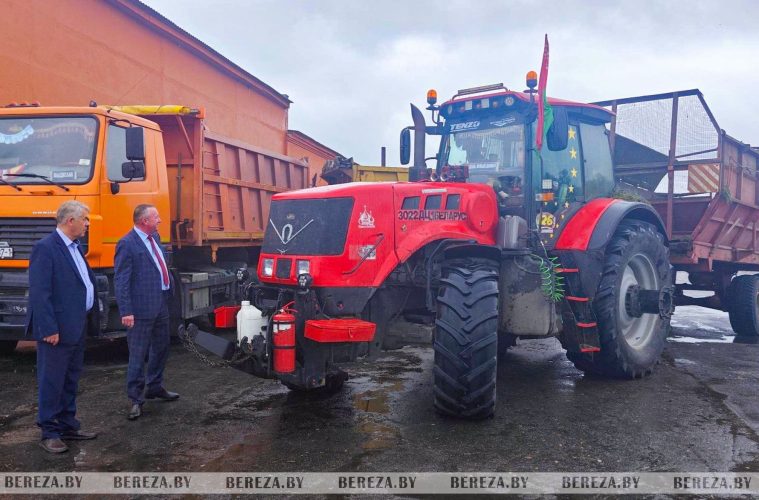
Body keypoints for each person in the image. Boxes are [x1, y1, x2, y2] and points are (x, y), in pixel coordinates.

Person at [26, 200, 99, 453]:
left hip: (76, 326)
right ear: (70, 221)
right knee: (52, 381)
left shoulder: (75, 247)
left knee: (70, 379)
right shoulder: (46, 248)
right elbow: (40, 292)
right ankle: (49, 431)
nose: (87, 224)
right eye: (85, 219)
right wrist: (48, 329)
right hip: (56, 330)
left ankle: (68, 425)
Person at [115, 204, 179, 421]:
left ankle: (155, 386)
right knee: (138, 354)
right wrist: (126, 311)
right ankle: (135, 399)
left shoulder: (155, 238)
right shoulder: (127, 244)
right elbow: (122, 280)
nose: (159, 220)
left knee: (162, 347)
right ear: (144, 221)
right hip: (140, 309)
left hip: (160, 303)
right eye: (156, 217)